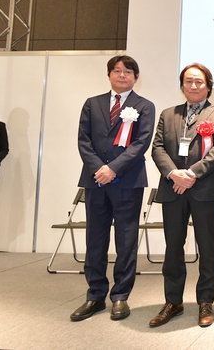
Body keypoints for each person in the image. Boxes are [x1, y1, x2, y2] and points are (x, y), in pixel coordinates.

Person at [71, 55, 155, 321]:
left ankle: (120, 296)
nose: (122, 75)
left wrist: (113, 169)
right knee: (95, 238)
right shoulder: (92, 103)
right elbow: (83, 140)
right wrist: (99, 169)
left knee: (126, 240)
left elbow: (141, 143)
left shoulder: (144, 105)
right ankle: (95, 295)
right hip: (95, 180)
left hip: (128, 181)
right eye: (117, 71)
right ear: (108, 75)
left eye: (128, 71)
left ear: (136, 77)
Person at [149, 63, 214, 328]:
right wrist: (174, 174)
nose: (193, 86)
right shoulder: (168, 114)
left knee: (207, 246)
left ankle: (206, 301)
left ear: (208, 85)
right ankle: (172, 301)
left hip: (205, 189)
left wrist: (192, 174)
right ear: (182, 85)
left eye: (199, 81)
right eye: (188, 81)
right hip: (172, 188)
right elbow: (157, 148)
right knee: (173, 246)